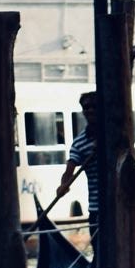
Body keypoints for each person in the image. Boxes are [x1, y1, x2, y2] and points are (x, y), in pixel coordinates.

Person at [52, 93, 102, 227]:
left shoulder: (114, 134)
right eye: (86, 107)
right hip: (96, 209)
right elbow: (69, 171)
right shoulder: (79, 143)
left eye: (94, 106)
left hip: (118, 205)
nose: (90, 110)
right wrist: (63, 185)